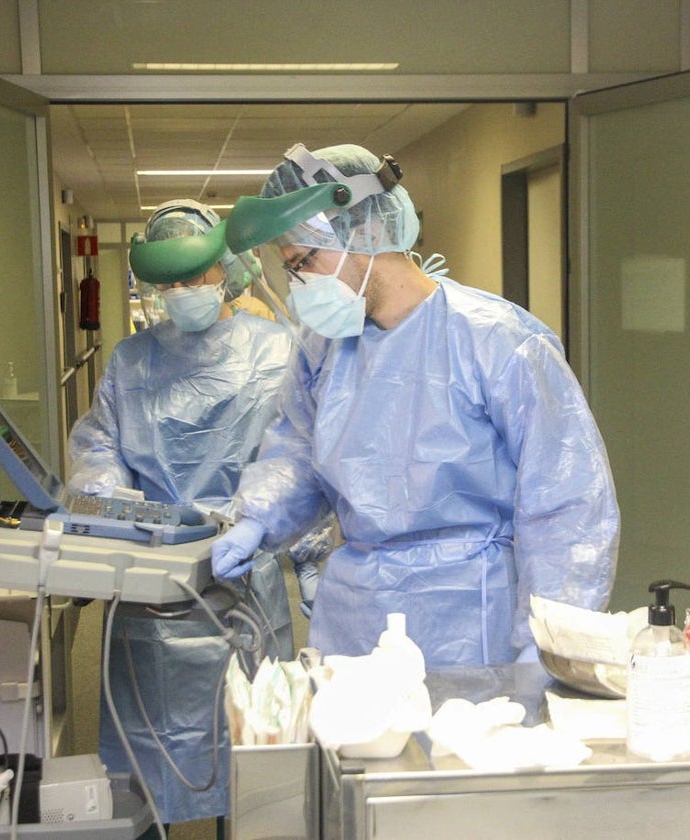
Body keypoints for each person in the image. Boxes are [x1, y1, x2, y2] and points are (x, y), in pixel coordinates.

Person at [211, 144, 620, 667]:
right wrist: (257, 518)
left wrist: (550, 647)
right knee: (353, 749)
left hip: (471, 623)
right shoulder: (324, 349)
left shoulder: (497, 341)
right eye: (292, 270)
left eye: (306, 262)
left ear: (365, 230)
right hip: (357, 616)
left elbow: (567, 506)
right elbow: (297, 448)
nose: (300, 285)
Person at [67, 199, 295, 831]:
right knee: (148, 747)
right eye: (171, 283)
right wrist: (117, 506)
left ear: (227, 270)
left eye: (196, 276)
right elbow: (97, 447)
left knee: (248, 745)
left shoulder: (277, 352)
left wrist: (315, 559)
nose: (185, 292)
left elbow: (298, 461)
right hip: (149, 582)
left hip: (241, 575)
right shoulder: (131, 360)